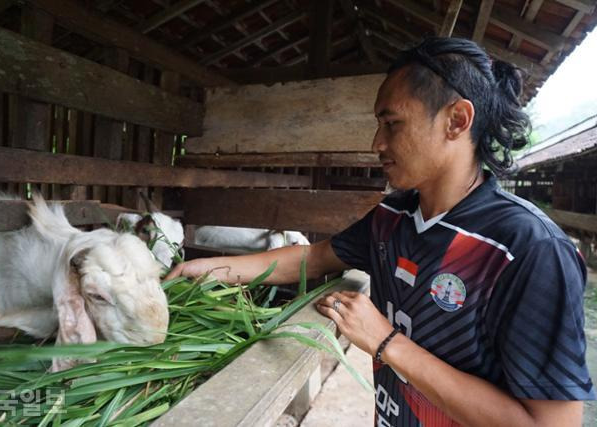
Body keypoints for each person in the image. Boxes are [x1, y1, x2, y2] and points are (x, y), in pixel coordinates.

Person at [167, 37, 594, 426]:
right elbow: (313, 258)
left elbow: (551, 424)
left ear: (457, 120)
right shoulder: (393, 217)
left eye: (392, 124)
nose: (377, 142)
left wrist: (386, 342)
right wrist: (204, 269)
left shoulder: (529, 248)